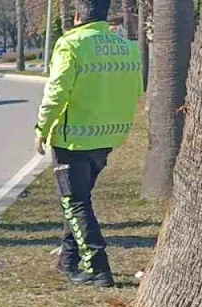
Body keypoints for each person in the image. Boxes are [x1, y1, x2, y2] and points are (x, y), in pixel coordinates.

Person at [36, 0, 144, 287]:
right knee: (77, 200)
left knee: (75, 202)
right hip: (108, 136)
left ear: (76, 16)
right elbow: (137, 89)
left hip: (72, 139)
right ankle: (68, 260)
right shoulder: (127, 46)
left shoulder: (70, 44)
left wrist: (42, 129)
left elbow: (57, 91)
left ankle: (98, 268)